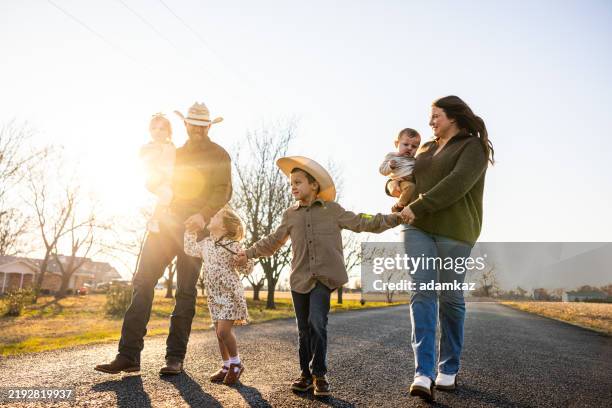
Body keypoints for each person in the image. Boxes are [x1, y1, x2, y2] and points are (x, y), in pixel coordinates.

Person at [235, 156, 403, 397]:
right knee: (303, 330)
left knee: (317, 322)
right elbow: (273, 241)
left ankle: (320, 374)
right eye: (291, 183)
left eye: (298, 182)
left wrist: (394, 218)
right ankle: (305, 375)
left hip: (324, 278)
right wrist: (249, 253)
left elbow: (361, 221)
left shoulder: (333, 211)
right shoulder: (290, 215)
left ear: (314, 185)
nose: (293, 187)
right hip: (299, 279)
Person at [95, 101, 232, 375]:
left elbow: (223, 190)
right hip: (166, 223)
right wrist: (151, 171)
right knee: (143, 282)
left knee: (185, 291)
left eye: (203, 125)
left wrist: (204, 215)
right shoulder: (174, 153)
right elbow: (155, 180)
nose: (198, 128)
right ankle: (128, 355)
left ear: (208, 126)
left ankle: (174, 358)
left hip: (196, 229)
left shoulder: (220, 154)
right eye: (193, 123)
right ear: (186, 125)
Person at [392, 96, 493, 401]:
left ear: (453, 116)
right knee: (422, 292)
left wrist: (419, 206)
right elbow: (404, 176)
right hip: (417, 227)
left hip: (455, 230)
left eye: (435, 115)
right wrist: (393, 187)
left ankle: (448, 367)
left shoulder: (472, 147)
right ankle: (423, 373)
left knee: (450, 297)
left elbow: (457, 183)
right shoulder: (424, 148)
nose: (431, 121)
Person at [183, 207, 254, 385]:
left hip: (230, 293)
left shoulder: (233, 245)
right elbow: (190, 249)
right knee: (218, 333)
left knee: (224, 331)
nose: (210, 216)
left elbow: (248, 266)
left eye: (215, 216)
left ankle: (237, 364)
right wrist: (190, 231)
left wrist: (244, 261)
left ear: (224, 225)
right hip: (214, 295)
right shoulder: (206, 243)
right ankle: (226, 365)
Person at [139, 113, 176, 233]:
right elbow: (146, 161)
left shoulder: (171, 147)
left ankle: (167, 212)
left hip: (170, 179)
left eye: (161, 129)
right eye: (154, 129)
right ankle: (154, 219)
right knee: (167, 194)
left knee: (173, 195)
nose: (157, 132)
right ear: (150, 131)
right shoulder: (149, 147)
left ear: (168, 132)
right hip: (156, 180)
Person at [379, 128, 421, 212]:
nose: (409, 148)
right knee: (403, 187)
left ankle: (400, 206)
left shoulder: (414, 160)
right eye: (405, 144)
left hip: (408, 181)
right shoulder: (391, 156)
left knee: (411, 187)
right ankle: (399, 206)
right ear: (396, 144)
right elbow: (382, 171)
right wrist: (390, 166)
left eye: (414, 146)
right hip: (396, 181)